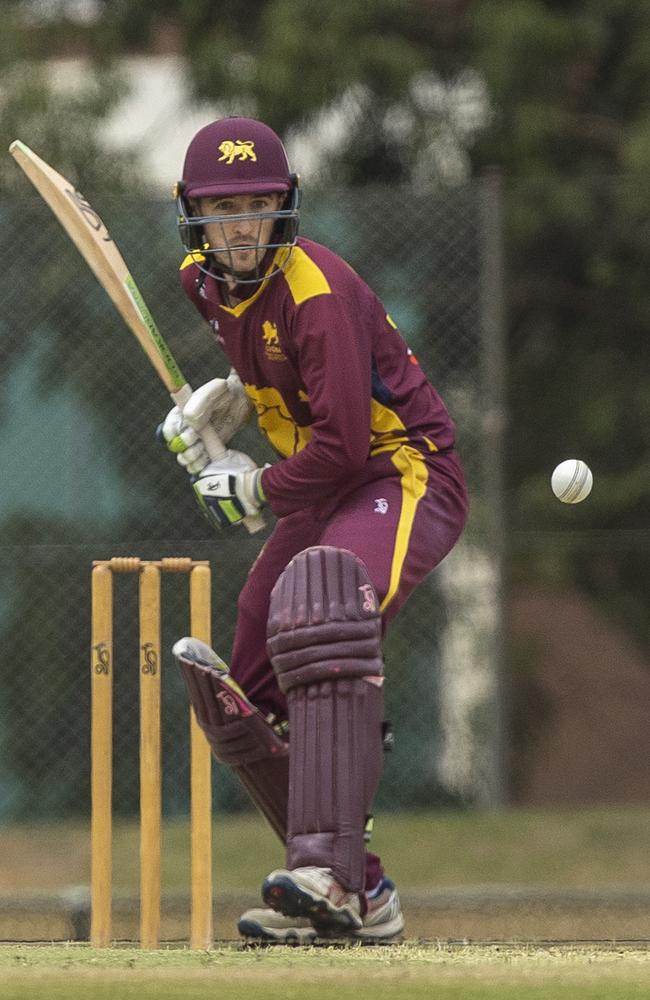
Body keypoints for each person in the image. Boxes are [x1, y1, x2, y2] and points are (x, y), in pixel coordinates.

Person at [163, 116, 469, 943]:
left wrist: (254, 485)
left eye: (259, 205)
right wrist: (220, 399)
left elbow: (342, 444)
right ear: (194, 217)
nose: (242, 228)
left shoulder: (317, 290)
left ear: (284, 207)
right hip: (323, 492)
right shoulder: (201, 283)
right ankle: (353, 892)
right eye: (225, 211)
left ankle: (330, 877)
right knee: (250, 689)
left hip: (400, 473)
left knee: (326, 604)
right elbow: (272, 360)